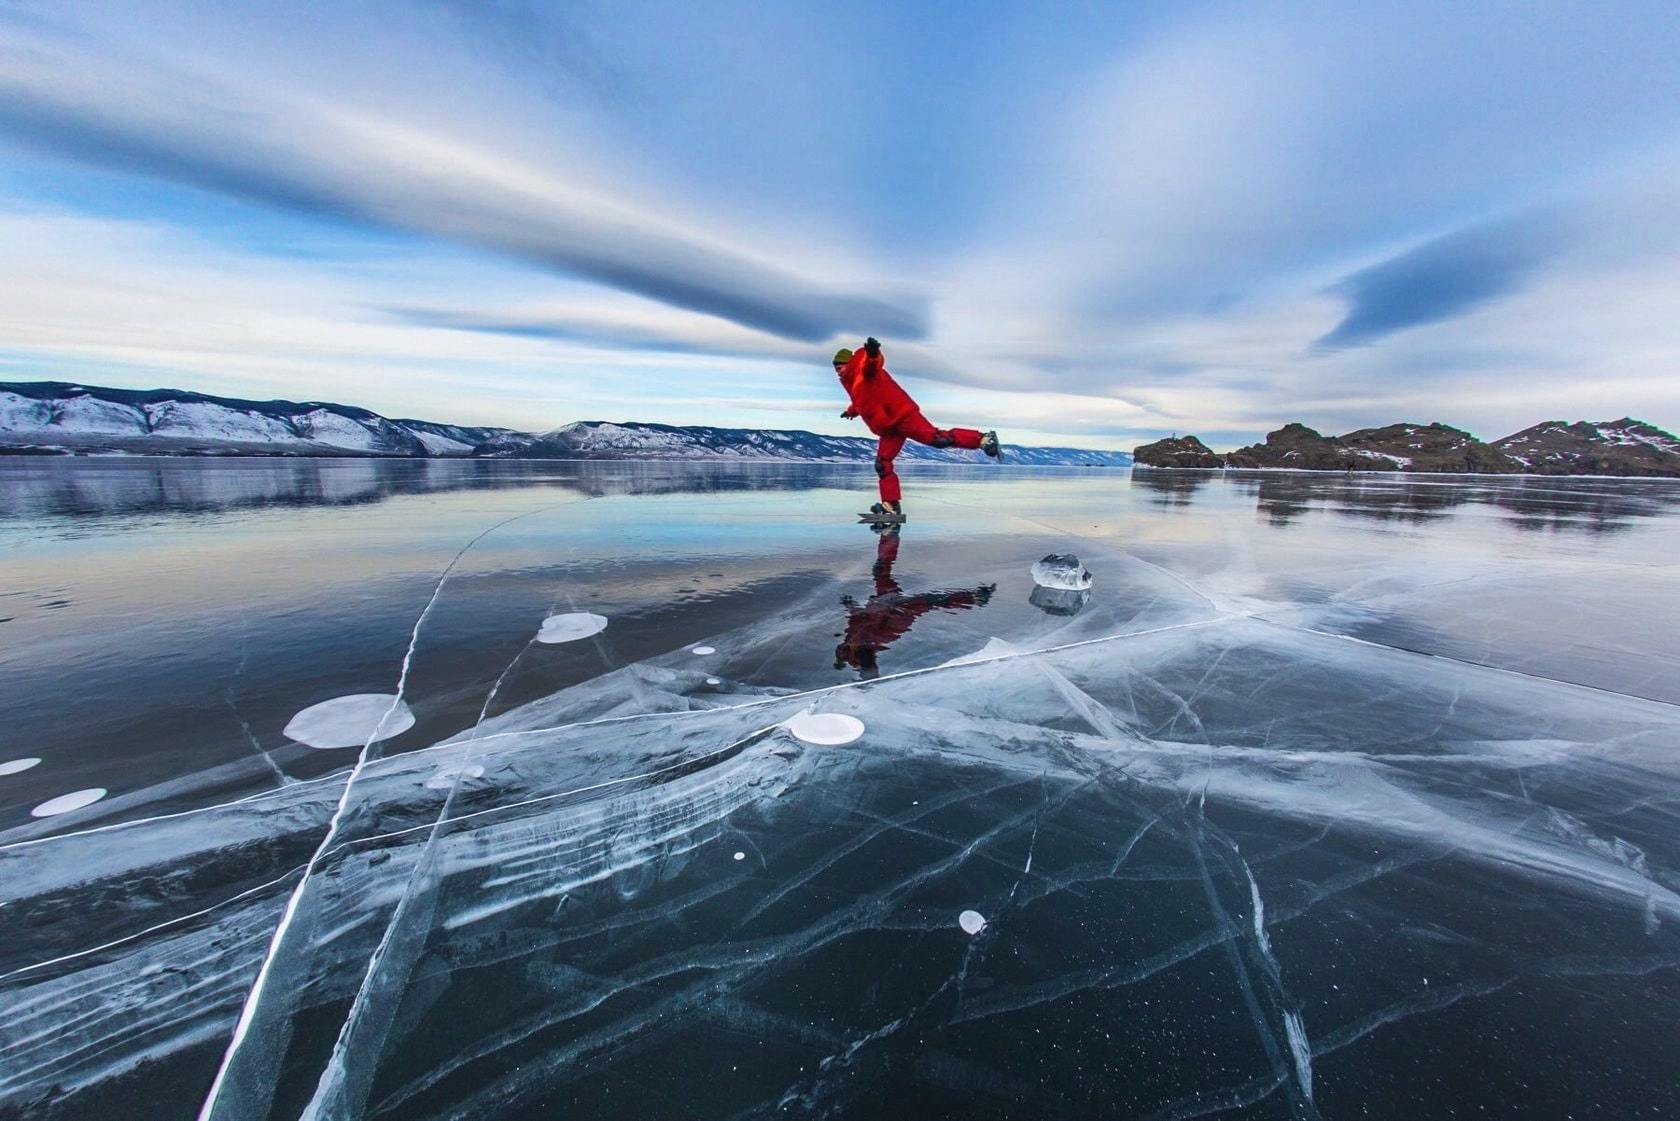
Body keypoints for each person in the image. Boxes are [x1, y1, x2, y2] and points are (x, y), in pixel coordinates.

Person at [834, 337, 1000, 521]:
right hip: (888, 428)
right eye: (836, 368)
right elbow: (863, 401)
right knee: (882, 464)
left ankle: (983, 439)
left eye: (840, 366)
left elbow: (872, 365)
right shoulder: (852, 384)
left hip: (902, 416)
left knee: (938, 440)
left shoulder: (863, 372)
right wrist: (850, 411)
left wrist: (873, 354)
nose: (838, 371)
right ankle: (891, 506)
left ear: (849, 363)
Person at [833, 525, 996, 678]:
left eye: (839, 649)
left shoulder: (850, 640)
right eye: (840, 650)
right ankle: (975, 598)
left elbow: (857, 618)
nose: (840, 647)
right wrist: (868, 676)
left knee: (880, 570)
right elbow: (867, 658)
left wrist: (850, 605)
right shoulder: (861, 648)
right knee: (932, 600)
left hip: (883, 602)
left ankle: (890, 535)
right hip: (896, 614)